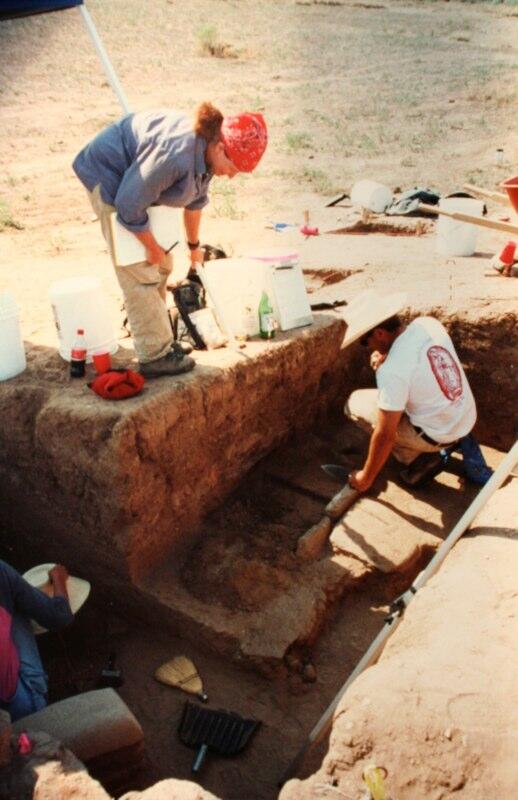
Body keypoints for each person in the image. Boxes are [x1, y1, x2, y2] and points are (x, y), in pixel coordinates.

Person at [73, 102, 268, 378]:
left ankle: (162, 341)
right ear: (222, 148)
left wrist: (194, 246)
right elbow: (128, 206)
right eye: (233, 167)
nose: (232, 175)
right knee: (140, 269)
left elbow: (195, 202)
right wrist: (150, 247)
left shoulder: (207, 152)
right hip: (110, 175)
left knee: (164, 263)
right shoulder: (176, 154)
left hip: (140, 183)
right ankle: (154, 356)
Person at [342, 292, 477, 492]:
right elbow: (418, 361)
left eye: (364, 341)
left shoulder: (392, 370)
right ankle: (426, 447)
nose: (367, 347)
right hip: (464, 419)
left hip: (437, 435)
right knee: (397, 399)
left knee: (353, 404)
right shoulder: (427, 324)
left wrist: (365, 478)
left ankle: (418, 459)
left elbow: (385, 434)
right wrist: (388, 354)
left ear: (379, 333)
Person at [0, 561, 74, 721]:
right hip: (20, 709)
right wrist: (59, 579)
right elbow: (60, 617)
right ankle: (35, 693)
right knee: (16, 602)